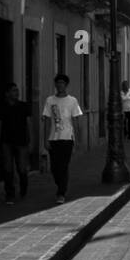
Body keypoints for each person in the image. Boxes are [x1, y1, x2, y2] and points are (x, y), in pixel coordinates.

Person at [41, 73, 81, 204]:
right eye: (58, 83)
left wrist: (77, 139)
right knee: (54, 167)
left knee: (63, 166)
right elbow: (46, 120)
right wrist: (45, 139)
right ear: (55, 85)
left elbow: (75, 120)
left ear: (66, 85)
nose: (60, 85)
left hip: (67, 138)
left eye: (62, 83)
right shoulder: (50, 100)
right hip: (53, 138)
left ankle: (61, 192)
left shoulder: (72, 101)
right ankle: (60, 185)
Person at [0, 83, 30, 204]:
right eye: (14, 91)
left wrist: (30, 139)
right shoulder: (2, 107)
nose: (17, 93)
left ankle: (23, 189)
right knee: (8, 169)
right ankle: (10, 194)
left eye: (17, 90)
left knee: (21, 168)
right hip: (6, 142)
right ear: (7, 93)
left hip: (21, 142)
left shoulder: (24, 106)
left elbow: (28, 124)